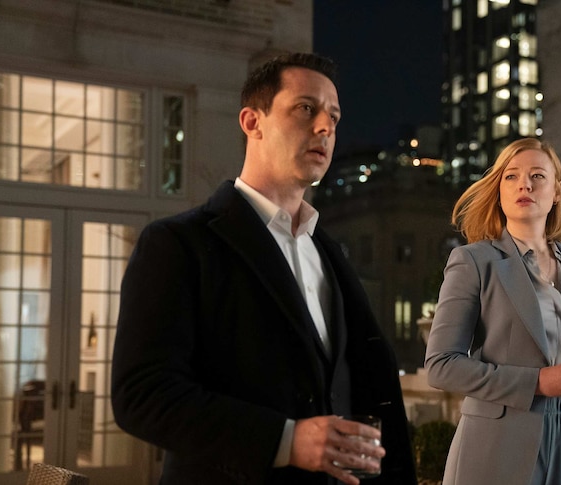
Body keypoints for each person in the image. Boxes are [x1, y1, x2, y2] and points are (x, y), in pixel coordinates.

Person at [111, 52, 417, 485]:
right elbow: (141, 396)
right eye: (306, 109)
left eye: (334, 116)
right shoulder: (178, 244)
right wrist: (286, 440)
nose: (325, 127)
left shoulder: (328, 252)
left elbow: (365, 383)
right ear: (252, 122)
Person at [424, 138, 561, 485]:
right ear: (498, 190)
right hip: (498, 448)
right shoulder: (474, 261)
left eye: (537, 176)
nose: (524, 184)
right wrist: (538, 382)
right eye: (511, 177)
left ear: (557, 191)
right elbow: (440, 366)